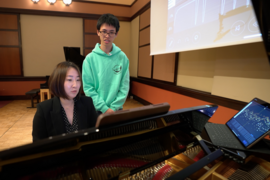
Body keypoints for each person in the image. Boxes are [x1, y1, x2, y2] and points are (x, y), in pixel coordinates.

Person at [32, 61, 97, 142]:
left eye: (78, 80)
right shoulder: (44, 109)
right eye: (69, 80)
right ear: (58, 82)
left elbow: (95, 135)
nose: (75, 85)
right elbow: (38, 144)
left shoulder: (87, 103)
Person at [82, 13, 130, 115]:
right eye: (104, 31)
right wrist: (105, 109)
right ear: (98, 32)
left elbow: (124, 86)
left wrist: (113, 108)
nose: (107, 36)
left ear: (116, 34)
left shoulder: (122, 57)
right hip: (96, 109)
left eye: (111, 32)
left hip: (117, 109)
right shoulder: (89, 59)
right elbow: (88, 88)